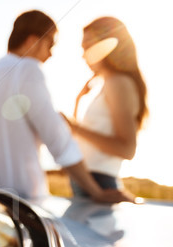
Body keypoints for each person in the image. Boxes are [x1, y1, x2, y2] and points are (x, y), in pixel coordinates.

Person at [0, 10, 131, 202]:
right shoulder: (27, 71)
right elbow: (58, 140)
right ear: (33, 41)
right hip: (18, 201)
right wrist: (97, 192)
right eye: (50, 44)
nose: (50, 54)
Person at [63, 17, 148, 197]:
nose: (83, 54)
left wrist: (75, 127)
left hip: (99, 182)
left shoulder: (118, 83)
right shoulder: (107, 84)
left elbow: (127, 149)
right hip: (91, 181)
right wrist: (78, 99)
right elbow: (81, 141)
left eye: (86, 47)